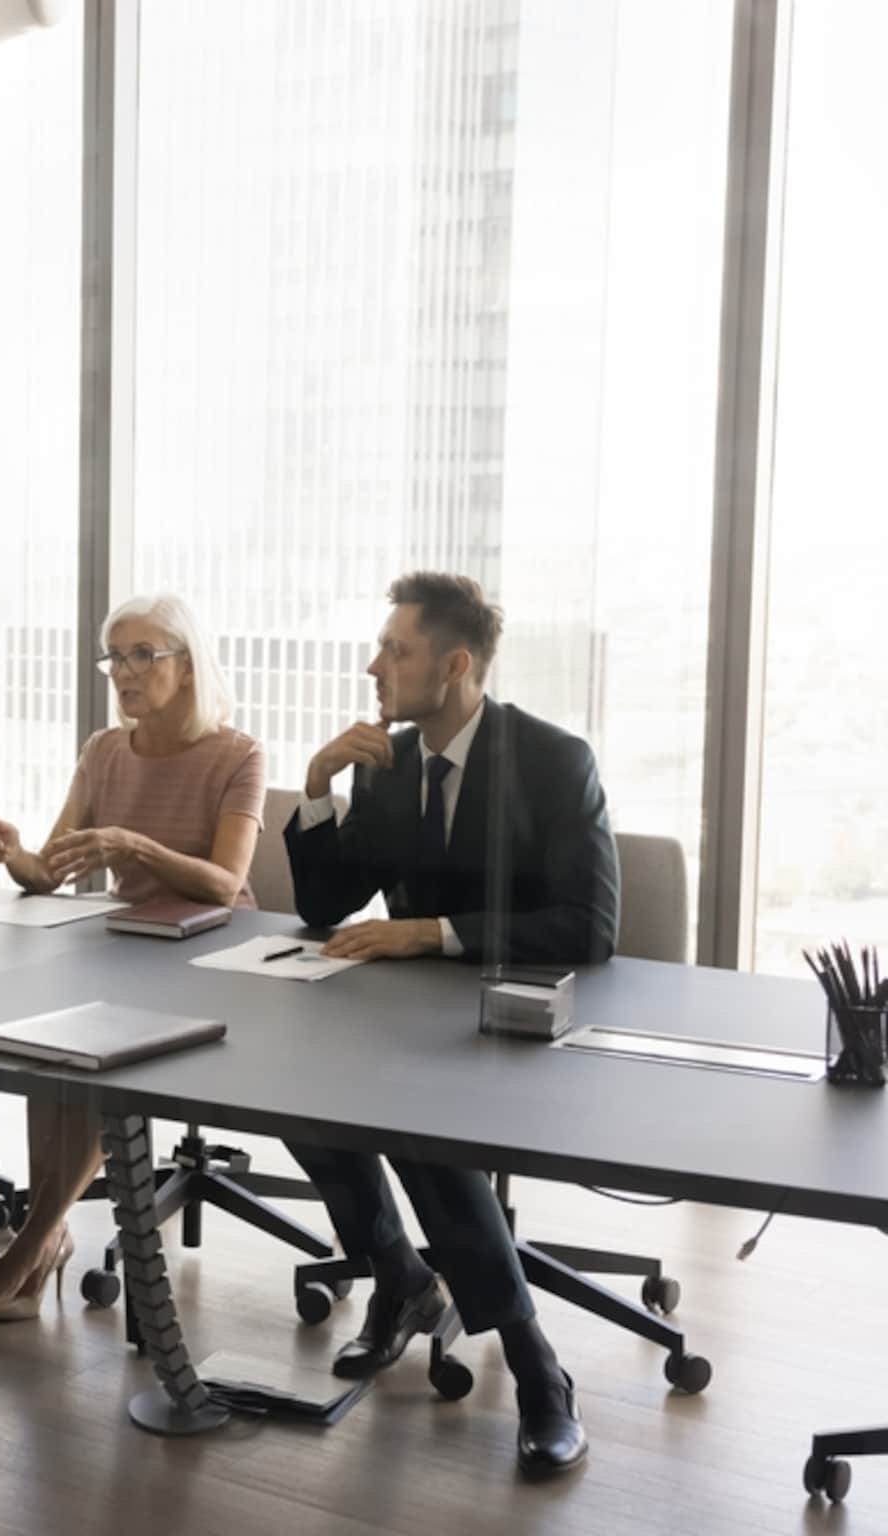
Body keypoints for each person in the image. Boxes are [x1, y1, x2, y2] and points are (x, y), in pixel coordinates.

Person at [284, 570, 619, 1476]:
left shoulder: (553, 760)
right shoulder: (389, 767)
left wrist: (431, 933)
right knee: (289, 1092)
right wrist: (318, 787)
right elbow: (322, 904)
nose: (373, 666)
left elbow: (590, 927)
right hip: (409, 1022)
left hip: (526, 1023)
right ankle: (399, 1279)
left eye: (397, 650)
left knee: (420, 1133)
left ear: (457, 663)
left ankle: (537, 1368)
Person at [0, 593, 265, 1327]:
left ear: (185, 667)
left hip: (217, 955)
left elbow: (225, 882)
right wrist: (11, 855)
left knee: (96, 1057)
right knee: (43, 1041)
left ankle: (25, 1252)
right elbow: (45, 875)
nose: (122, 671)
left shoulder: (238, 753)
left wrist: (133, 845)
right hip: (128, 947)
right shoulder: (103, 750)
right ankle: (42, 1246)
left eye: (141, 655)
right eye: (114, 656)